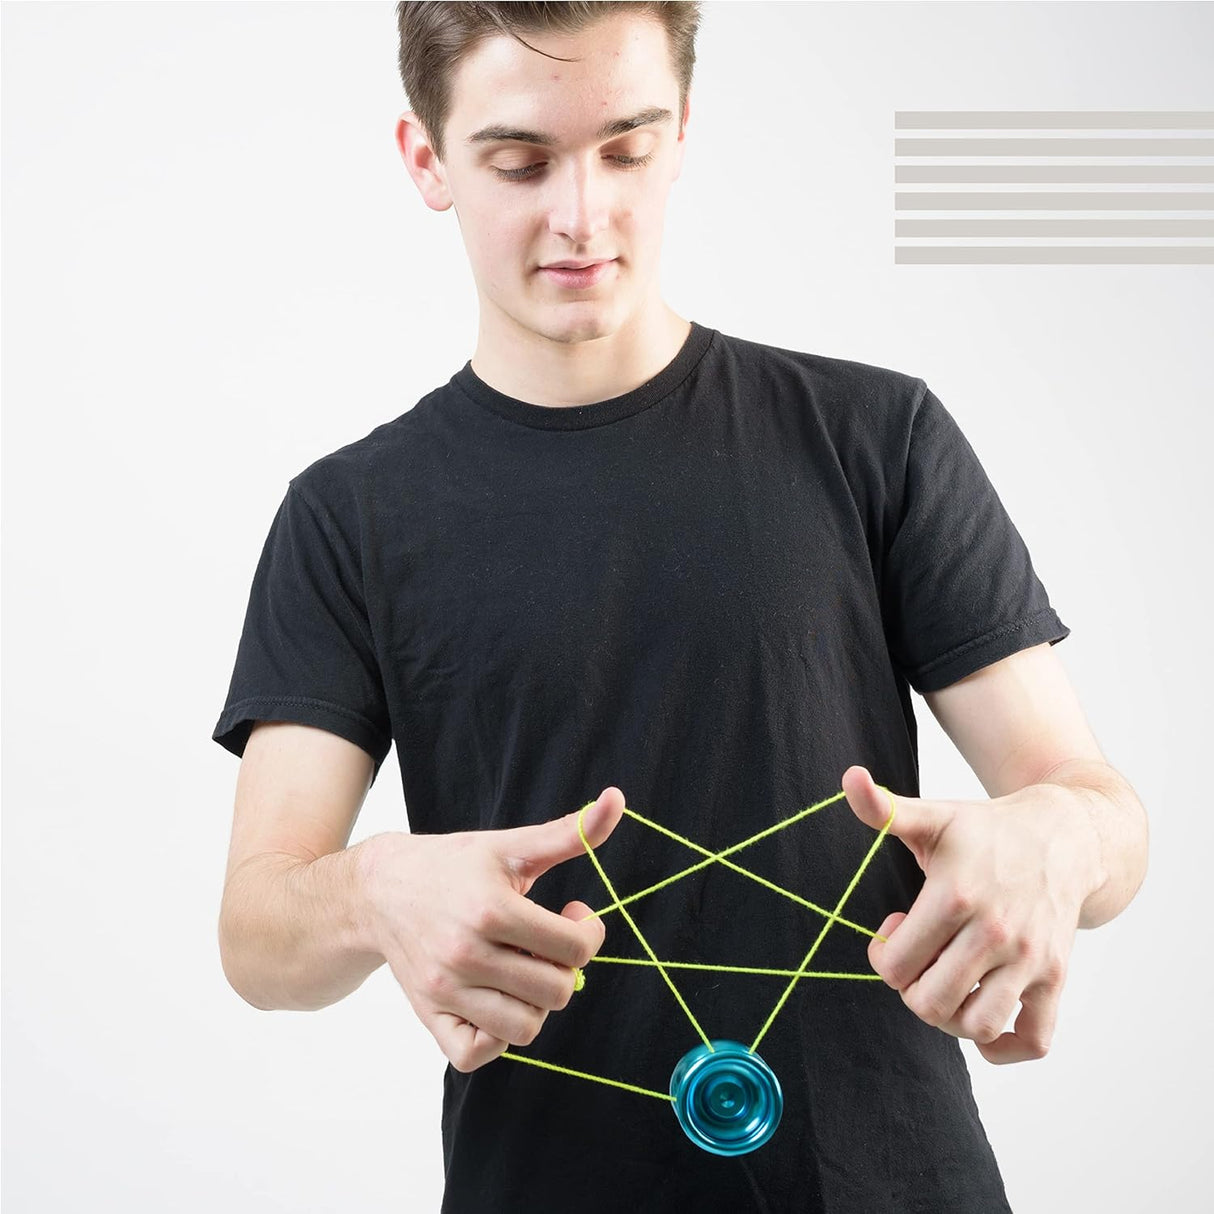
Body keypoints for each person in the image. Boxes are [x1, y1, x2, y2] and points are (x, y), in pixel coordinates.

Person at [212, 3, 1149, 1210]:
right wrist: (375, 886)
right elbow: (257, 931)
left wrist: (1054, 842)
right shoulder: (347, 515)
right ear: (426, 161)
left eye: (626, 147)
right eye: (519, 160)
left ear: (685, 132)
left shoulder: (873, 438)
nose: (581, 215)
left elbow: (1100, 815)